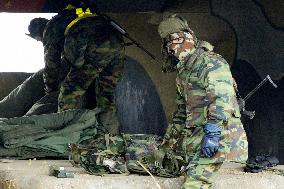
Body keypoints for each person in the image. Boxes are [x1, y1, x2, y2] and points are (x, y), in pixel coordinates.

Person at [157, 14, 248, 188]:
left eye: (174, 42)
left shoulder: (211, 62)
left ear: (184, 39)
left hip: (220, 137)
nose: (172, 49)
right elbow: (181, 114)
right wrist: (167, 146)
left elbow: (222, 99)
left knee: (195, 184)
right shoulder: (184, 73)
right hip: (198, 141)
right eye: (169, 44)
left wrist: (213, 133)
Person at [27, 2, 125, 134]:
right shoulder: (68, 17)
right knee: (106, 93)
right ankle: (110, 135)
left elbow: (51, 64)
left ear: (38, 35)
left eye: (38, 40)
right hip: (117, 42)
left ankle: (66, 137)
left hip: (95, 48)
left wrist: (50, 89)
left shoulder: (50, 29)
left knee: (68, 93)